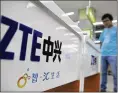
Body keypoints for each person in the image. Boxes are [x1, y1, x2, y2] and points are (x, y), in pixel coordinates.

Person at [99, 13, 117, 92]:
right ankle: (103, 88)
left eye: (106, 20)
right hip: (103, 54)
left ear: (111, 20)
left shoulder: (116, 29)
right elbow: (101, 41)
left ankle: (116, 89)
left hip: (113, 54)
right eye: (103, 21)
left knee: (115, 73)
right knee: (103, 73)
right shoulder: (104, 30)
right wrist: (100, 51)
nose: (105, 23)